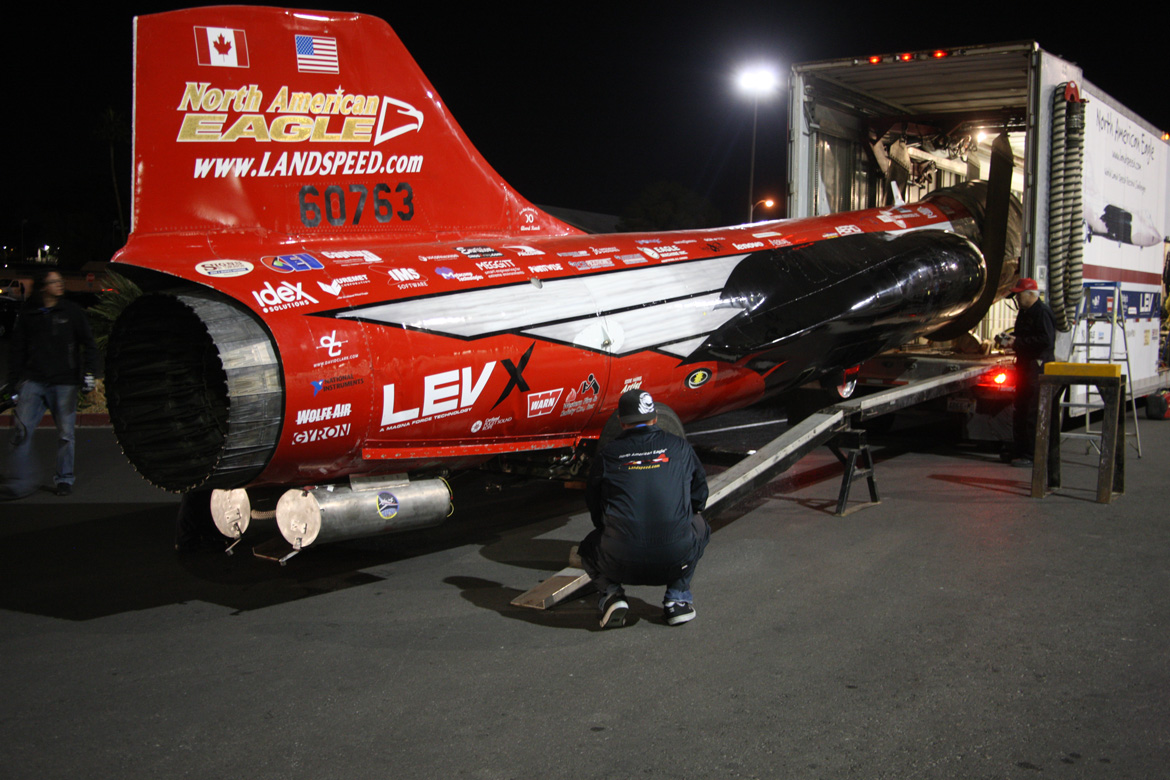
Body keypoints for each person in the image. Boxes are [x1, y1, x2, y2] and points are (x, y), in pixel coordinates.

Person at [579, 389, 710, 628]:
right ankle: (677, 599)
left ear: (620, 421)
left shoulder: (608, 454)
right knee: (701, 526)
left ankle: (611, 595)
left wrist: (609, 529)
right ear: (655, 418)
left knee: (587, 548)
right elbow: (700, 497)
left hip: (620, 562)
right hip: (674, 559)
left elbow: (594, 505)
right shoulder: (679, 447)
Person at [1, 271, 99, 498]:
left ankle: (64, 478)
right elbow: (18, 350)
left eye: (61, 281)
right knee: (21, 432)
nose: (60, 284)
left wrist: (89, 373)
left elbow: (88, 343)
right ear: (44, 286)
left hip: (64, 384)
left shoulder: (71, 312)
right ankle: (19, 481)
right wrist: (13, 381)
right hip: (33, 381)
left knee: (66, 435)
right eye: (55, 282)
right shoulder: (30, 314)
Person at [1001, 277, 1056, 466]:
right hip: (1025, 366)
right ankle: (1019, 449)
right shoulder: (1025, 312)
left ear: (1030, 294)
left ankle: (1031, 455)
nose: (1016, 299)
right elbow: (1025, 336)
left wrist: (1018, 342)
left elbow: (1045, 341)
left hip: (1037, 367)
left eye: (1018, 295)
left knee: (1033, 410)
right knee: (1021, 408)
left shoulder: (1042, 312)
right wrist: (1011, 339)